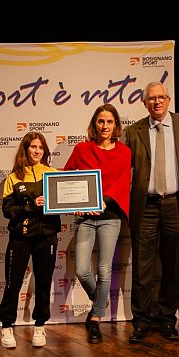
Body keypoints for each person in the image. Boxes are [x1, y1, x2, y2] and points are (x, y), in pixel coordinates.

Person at [122, 81, 179, 343]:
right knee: (142, 268)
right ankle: (141, 321)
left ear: (168, 100)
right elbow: (120, 166)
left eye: (161, 97)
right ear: (144, 103)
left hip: (175, 205)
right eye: (151, 98)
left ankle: (167, 319)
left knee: (173, 266)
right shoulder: (133, 131)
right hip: (146, 207)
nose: (157, 102)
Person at [64, 104, 131, 343]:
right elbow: (67, 178)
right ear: (95, 124)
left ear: (116, 125)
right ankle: (99, 303)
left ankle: (95, 320)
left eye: (109, 121)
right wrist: (75, 203)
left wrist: (103, 202)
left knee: (103, 269)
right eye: (101, 121)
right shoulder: (82, 149)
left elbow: (122, 183)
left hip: (109, 218)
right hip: (85, 217)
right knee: (82, 270)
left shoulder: (124, 152)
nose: (105, 126)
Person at [0, 133, 61, 348]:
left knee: (43, 283)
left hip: (47, 237)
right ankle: (6, 326)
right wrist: (31, 206)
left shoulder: (53, 174)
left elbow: (65, 202)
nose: (37, 151)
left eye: (41, 148)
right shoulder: (13, 178)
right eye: (33, 147)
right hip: (20, 238)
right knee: (12, 283)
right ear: (25, 149)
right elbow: (7, 211)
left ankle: (40, 325)